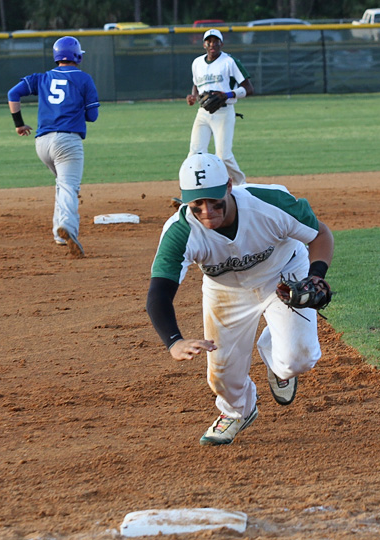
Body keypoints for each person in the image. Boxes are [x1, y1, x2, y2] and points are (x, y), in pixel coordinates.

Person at [146, 152, 334, 446]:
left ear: (229, 186)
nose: (207, 211)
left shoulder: (269, 204)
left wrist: (316, 274)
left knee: (299, 359)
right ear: (185, 201)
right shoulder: (181, 231)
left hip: (283, 276)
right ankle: (236, 412)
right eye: (197, 204)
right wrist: (174, 340)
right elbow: (159, 292)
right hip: (226, 292)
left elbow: (320, 234)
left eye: (214, 200)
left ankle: (276, 357)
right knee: (221, 376)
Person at [7, 36, 100, 258]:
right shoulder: (84, 79)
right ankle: (67, 227)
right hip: (67, 142)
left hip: (42, 143)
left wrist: (19, 125)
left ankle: (59, 233)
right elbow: (93, 116)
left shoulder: (42, 78)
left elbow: (13, 93)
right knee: (69, 187)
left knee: (61, 183)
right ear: (77, 56)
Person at [186, 29, 254, 186]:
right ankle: (192, 189)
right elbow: (196, 85)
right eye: (209, 41)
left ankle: (241, 186)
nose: (212, 44)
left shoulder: (229, 62)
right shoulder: (197, 63)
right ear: (204, 44)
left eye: (216, 41)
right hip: (203, 113)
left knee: (223, 156)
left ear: (221, 44)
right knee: (195, 153)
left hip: (223, 112)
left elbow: (249, 89)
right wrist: (193, 97)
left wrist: (227, 95)